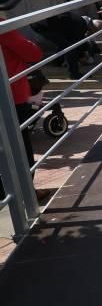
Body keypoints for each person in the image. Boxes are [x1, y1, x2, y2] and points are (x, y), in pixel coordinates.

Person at [0, 28, 50, 202]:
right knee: (20, 147)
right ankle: (27, 194)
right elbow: (33, 53)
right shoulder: (2, 27)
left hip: (9, 94)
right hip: (10, 96)